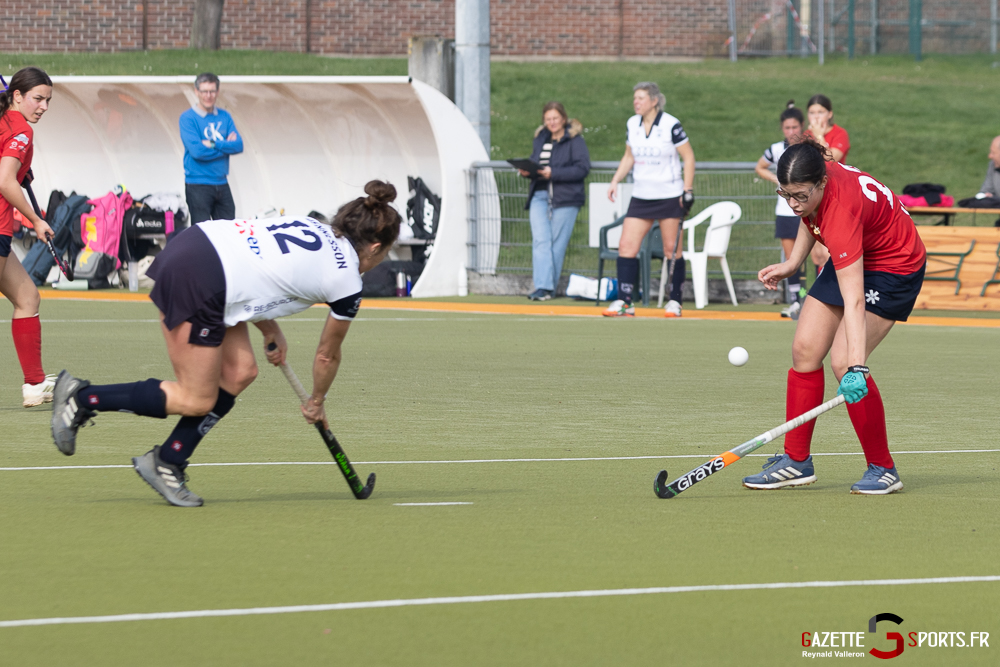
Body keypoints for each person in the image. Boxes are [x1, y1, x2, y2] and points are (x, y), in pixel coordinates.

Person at [50, 180, 401, 507]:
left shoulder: (314, 226)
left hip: (198, 245)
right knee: (196, 398)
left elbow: (259, 266)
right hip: (202, 279)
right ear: (373, 246)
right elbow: (327, 355)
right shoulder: (347, 281)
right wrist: (317, 401)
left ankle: (168, 460)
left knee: (240, 372)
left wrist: (268, 328)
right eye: (384, 253)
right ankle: (81, 397)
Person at [743, 138, 926, 495]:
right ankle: (796, 462)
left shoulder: (840, 210)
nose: (793, 204)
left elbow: (854, 300)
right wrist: (793, 263)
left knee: (843, 362)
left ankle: (883, 468)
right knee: (805, 349)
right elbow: (809, 216)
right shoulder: (814, 181)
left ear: (821, 183)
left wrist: (857, 365)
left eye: (800, 195)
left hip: (894, 265)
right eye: (786, 195)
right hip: (859, 248)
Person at [604, 82, 695, 317]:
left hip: (669, 195)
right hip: (641, 196)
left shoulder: (670, 124)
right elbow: (628, 156)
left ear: (654, 101)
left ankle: (674, 302)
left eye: (641, 98)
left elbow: (688, 156)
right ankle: (625, 302)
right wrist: (615, 180)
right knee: (626, 246)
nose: (636, 102)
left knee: (671, 250)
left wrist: (687, 190)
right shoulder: (631, 124)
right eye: (635, 98)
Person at [0, 67, 57, 408]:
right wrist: (36, 219)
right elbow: (5, 182)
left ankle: (34, 384)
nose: (44, 107)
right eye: (38, 99)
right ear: (17, 96)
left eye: (48, 100)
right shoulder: (19, 129)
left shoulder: (7, 123)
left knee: (28, 299)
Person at [519, 101, 590, 301]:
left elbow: (582, 168)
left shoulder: (575, 141)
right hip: (539, 194)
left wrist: (554, 173)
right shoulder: (541, 139)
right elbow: (536, 162)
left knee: (557, 244)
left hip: (566, 197)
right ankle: (542, 287)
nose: (552, 122)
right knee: (541, 240)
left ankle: (548, 289)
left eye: (555, 118)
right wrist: (527, 171)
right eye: (548, 119)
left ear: (563, 119)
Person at [755, 100, 806, 320]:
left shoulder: (808, 147)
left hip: (808, 209)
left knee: (818, 257)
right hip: (785, 210)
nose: (791, 131)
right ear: (782, 129)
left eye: (795, 127)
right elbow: (759, 167)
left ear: (801, 126)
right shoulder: (776, 149)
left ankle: (817, 300)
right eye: (787, 128)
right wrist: (778, 179)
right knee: (790, 258)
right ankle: (797, 301)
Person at [180, 72, 243, 227]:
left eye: (212, 91)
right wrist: (225, 146)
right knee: (202, 235)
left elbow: (238, 146)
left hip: (222, 183)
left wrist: (214, 143)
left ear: (217, 92)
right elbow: (197, 152)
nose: (208, 96)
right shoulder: (187, 118)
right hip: (198, 185)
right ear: (196, 92)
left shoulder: (225, 116)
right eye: (204, 91)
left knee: (229, 231)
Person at [803, 94, 850, 272]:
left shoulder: (839, 133)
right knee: (818, 253)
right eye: (812, 112)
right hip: (814, 197)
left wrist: (819, 136)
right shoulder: (806, 136)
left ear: (829, 114)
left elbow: (831, 160)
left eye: (820, 112)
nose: (816, 117)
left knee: (832, 248)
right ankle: (822, 291)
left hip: (836, 195)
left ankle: (838, 289)